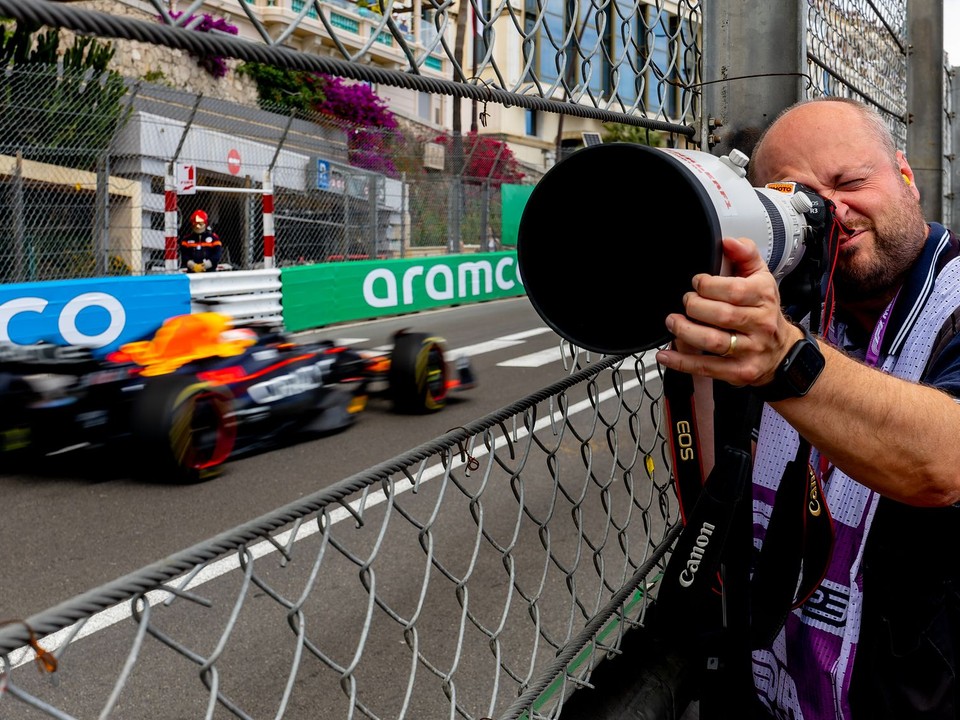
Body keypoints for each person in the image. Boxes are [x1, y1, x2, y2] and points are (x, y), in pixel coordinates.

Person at [654, 96, 960, 719]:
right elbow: (721, 482)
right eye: (799, 200)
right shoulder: (782, 307)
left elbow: (945, 461)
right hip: (778, 685)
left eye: (851, 182)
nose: (834, 214)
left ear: (905, 175)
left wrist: (788, 363)